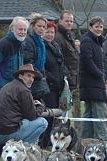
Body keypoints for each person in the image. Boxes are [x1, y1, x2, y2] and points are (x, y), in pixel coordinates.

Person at [0, 16, 28, 155]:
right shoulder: (4, 44)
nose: (22, 32)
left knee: (13, 121)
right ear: (12, 29)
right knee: (0, 123)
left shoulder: (20, 45)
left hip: (14, 91)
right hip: (0, 91)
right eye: (20, 29)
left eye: (25, 29)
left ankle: (10, 150)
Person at [0, 64, 48, 145]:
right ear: (20, 76)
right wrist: (40, 106)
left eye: (33, 77)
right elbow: (32, 116)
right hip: (10, 133)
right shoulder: (23, 90)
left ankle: (19, 148)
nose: (31, 80)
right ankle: (27, 148)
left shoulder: (7, 86)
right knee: (43, 122)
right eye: (28, 76)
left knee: (25, 121)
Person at [79, 16, 107, 140]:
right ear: (90, 27)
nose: (99, 29)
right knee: (100, 114)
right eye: (96, 26)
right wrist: (100, 75)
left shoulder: (99, 42)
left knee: (89, 114)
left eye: (101, 27)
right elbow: (87, 61)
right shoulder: (87, 41)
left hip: (95, 83)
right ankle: (103, 140)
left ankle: (86, 140)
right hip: (92, 83)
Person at [38, 21, 66, 149]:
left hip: (57, 87)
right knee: (47, 114)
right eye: (47, 32)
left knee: (54, 115)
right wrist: (51, 78)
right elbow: (43, 67)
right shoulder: (42, 47)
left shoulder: (55, 46)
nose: (50, 34)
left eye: (52, 32)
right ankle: (44, 142)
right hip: (47, 86)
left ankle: (49, 141)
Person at [55, 10, 80, 134]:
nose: (69, 23)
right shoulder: (58, 37)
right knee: (61, 110)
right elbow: (60, 60)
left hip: (70, 80)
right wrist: (67, 76)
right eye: (67, 21)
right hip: (63, 80)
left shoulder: (69, 36)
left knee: (65, 110)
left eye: (71, 21)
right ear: (60, 21)